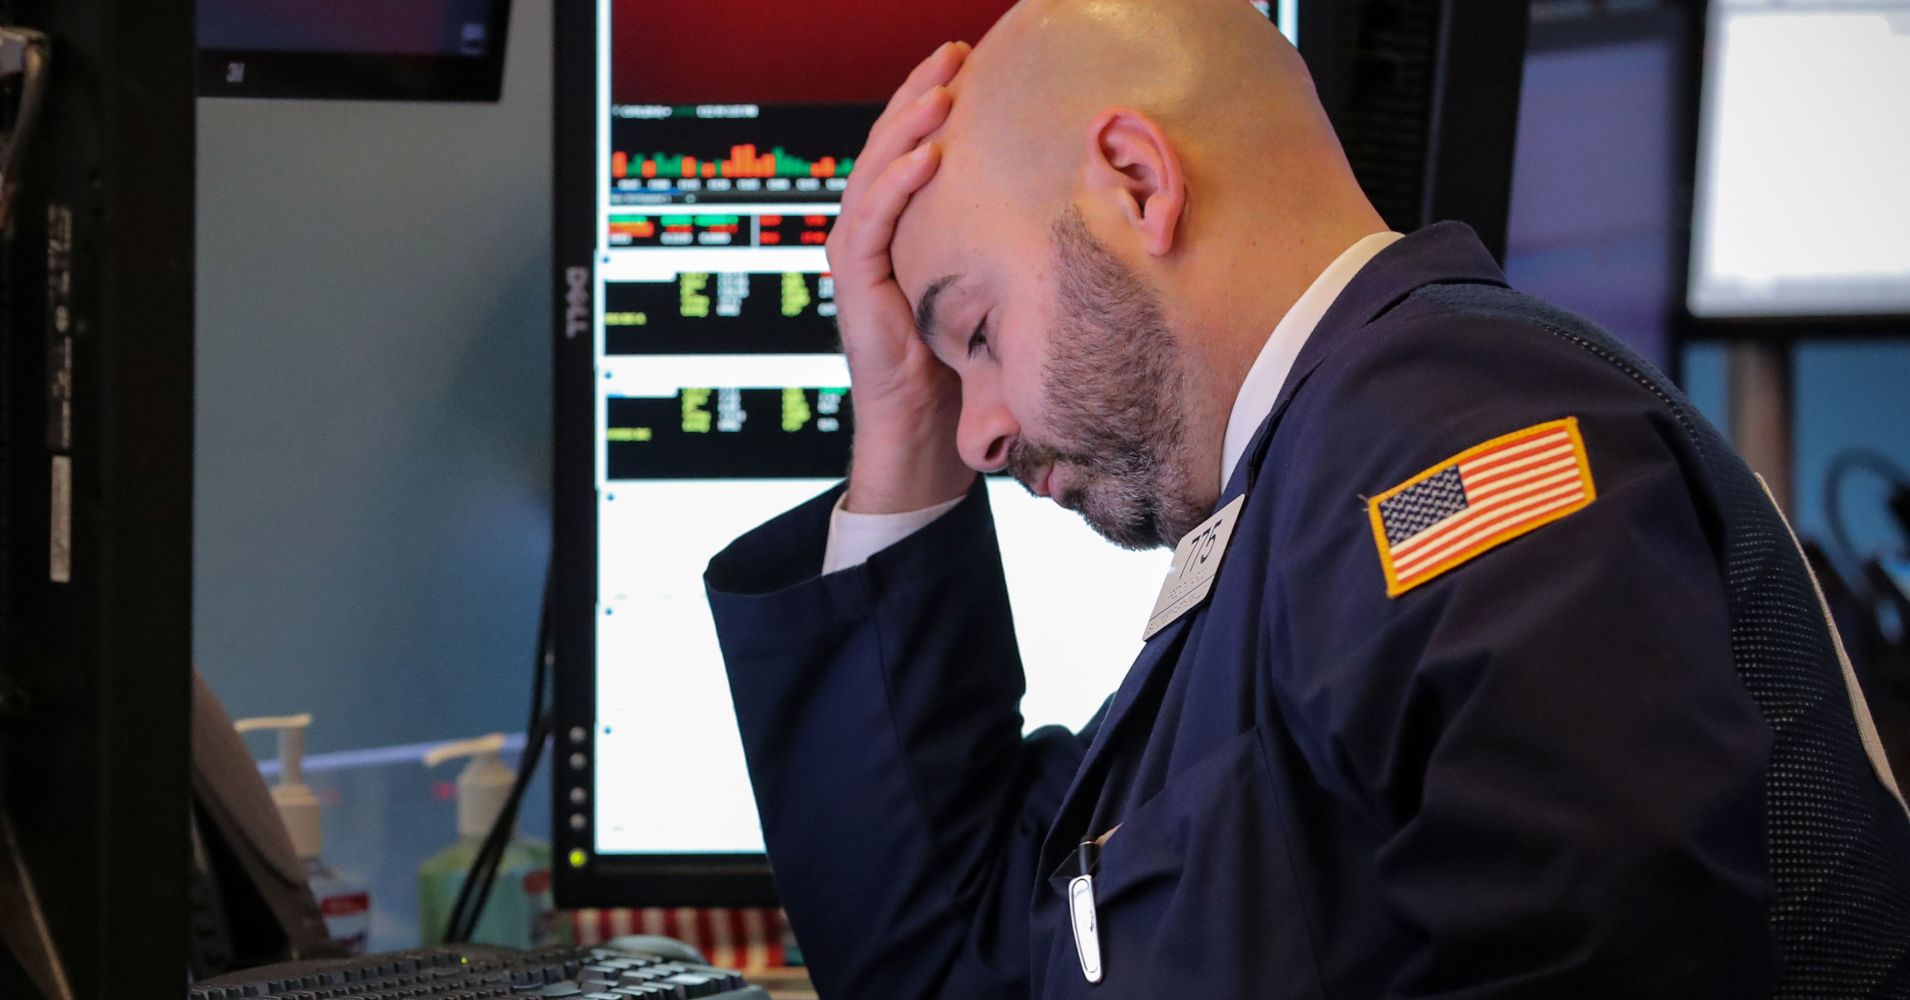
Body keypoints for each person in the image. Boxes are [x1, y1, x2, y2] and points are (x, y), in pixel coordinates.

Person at [705, 0, 1910, 995]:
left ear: (1136, 183)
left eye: (975, 333)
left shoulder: (1454, 451)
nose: (976, 435)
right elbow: (955, 959)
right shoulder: (1311, 498)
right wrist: (898, 415)